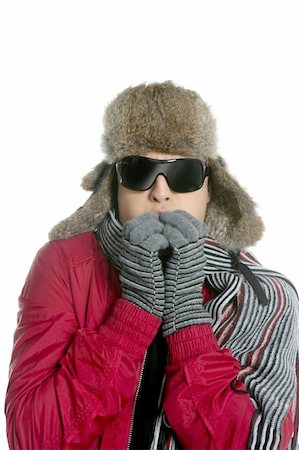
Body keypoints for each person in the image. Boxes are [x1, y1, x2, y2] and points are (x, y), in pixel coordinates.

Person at [5, 81, 299, 450]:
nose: (161, 191)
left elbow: (263, 443)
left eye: (183, 173)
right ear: (114, 184)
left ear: (211, 187)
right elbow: (31, 439)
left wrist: (188, 321)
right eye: (140, 170)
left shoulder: (267, 296)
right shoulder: (65, 265)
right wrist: (132, 317)